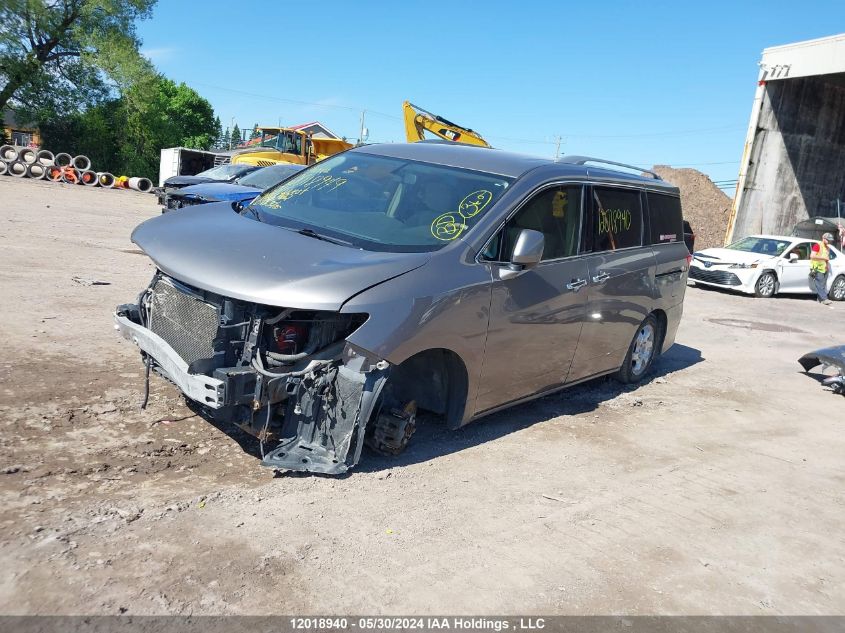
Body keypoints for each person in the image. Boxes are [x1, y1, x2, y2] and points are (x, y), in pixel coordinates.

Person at [810, 232, 833, 306]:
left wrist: (827, 265)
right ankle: (824, 299)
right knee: (819, 284)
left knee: (822, 285)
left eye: (830, 240)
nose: (829, 241)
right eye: (828, 240)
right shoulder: (817, 245)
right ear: (823, 239)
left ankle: (820, 299)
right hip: (817, 268)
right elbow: (812, 256)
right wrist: (823, 258)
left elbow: (826, 259)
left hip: (824, 268)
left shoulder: (828, 248)